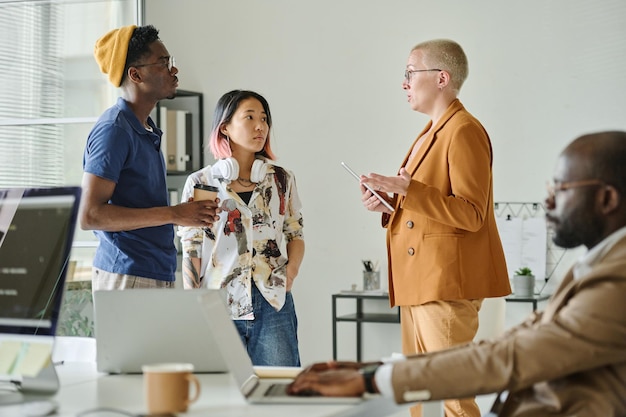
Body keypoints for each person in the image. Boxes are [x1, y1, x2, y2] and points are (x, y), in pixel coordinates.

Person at [288, 130, 626, 416]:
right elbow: (519, 338)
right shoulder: (604, 261)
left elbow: (516, 356)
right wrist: (376, 369)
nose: (547, 202)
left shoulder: (618, 278)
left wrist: (371, 380)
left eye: (561, 189)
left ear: (607, 198)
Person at [354, 39, 511, 417]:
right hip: (420, 282)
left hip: (445, 284)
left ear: (441, 78)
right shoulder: (432, 131)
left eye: (410, 73)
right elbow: (426, 204)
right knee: (416, 394)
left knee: (454, 396)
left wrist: (409, 190)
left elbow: (472, 213)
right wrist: (390, 203)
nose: (404, 83)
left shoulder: (463, 130)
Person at [80, 25, 219, 290]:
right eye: (163, 63)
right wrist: (174, 214)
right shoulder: (114, 130)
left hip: (154, 270)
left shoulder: (146, 128)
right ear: (135, 74)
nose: (174, 70)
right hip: (127, 272)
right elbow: (90, 215)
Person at [178, 90, 305, 367]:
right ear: (225, 126)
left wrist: (290, 274)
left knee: (280, 396)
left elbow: (295, 233)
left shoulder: (282, 180)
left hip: (274, 303)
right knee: (221, 397)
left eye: (264, 119)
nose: (260, 126)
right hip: (218, 303)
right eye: (249, 117)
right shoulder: (202, 183)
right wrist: (193, 303)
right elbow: (192, 247)